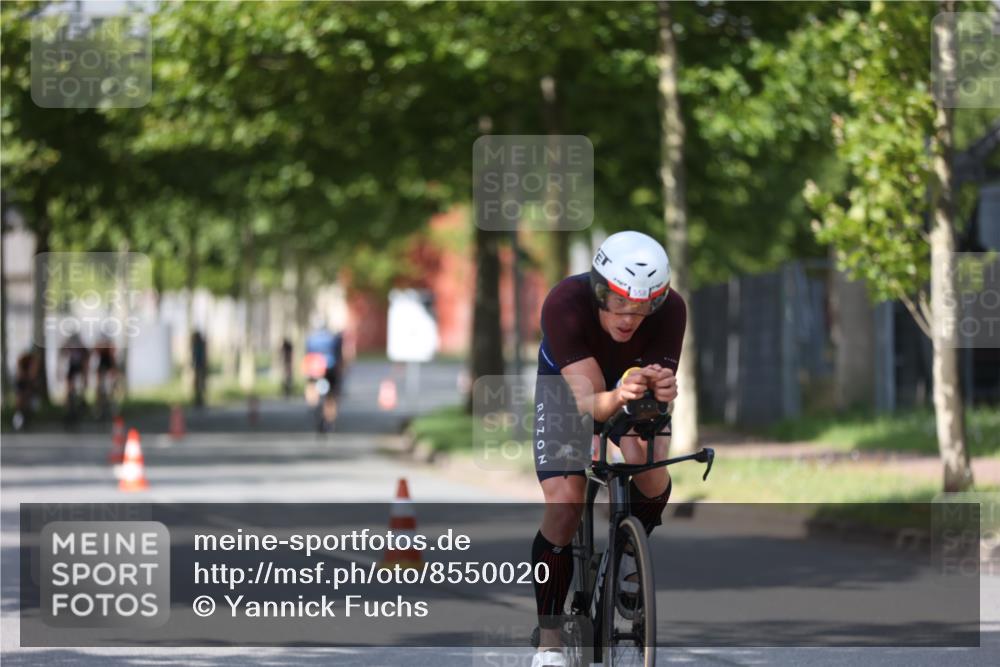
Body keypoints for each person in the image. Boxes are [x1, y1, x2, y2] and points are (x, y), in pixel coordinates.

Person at [530, 231, 685, 667]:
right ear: (599, 289)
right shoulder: (563, 304)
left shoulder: (671, 309)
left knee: (651, 469)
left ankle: (630, 559)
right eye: (618, 301)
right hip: (569, 391)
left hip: (629, 389)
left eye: (644, 306)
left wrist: (662, 387)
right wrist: (619, 396)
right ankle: (549, 641)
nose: (630, 316)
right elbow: (590, 403)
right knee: (565, 504)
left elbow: (657, 387)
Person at [304, 322, 344, 430]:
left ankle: (313, 405)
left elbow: (307, 354)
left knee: (311, 386)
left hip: (315, 368)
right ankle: (330, 420)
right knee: (331, 396)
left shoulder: (310, 338)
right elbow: (339, 355)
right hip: (331, 368)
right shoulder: (334, 338)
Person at [58, 330, 90, 417]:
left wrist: (85, 377)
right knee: (69, 388)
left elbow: (86, 363)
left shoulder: (83, 348)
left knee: (80, 384)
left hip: (80, 367)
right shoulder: (69, 344)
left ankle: (82, 398)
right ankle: (68, 406)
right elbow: (61, 353)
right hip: (72, 367)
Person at [92, 335, 119, 417]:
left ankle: (112, 403)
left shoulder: (110, 347)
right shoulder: (100, 346)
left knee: (112, 385)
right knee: (99, 385)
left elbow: (113, 357)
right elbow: (95, 352)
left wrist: (114, 371)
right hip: (102, 364)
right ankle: (98, 406)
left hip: (109, 363)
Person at [191, 330, 207, 407]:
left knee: (199, 384)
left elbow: (197, 357)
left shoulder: (198, 345)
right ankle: (198, 400)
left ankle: (199, 400)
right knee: (198, 384)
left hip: (199, 367)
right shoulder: (197, 345)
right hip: (199, 367)